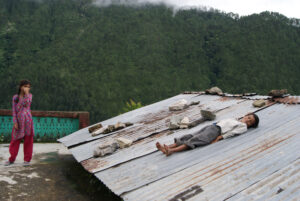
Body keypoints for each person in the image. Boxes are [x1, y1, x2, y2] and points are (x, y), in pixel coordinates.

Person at [156, 113, 259, 156]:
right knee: (189, 136)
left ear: (250, 126)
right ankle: (167, 147)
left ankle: (171, 151)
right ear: (246, 115)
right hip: (212, 126)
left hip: (216, 131)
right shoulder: (236, 119)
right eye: (249, 117)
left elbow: (232, 133)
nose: (248, 120)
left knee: (195, 140)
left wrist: (219, 137)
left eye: (250, 122)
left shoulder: (243, 126)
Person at [4, 80, 34, 166]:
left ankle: (27, 160)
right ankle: (11, 159)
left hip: (28, 121)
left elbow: (27, 103)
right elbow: (14, 110)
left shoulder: (30, 96)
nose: (27, 88)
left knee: (28, 139)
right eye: (25, 86)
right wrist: (15, 122)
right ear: (21, 87)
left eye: (28, 87)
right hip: (19, 121)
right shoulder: (15, 97)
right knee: (15, 140)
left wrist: (27, 94)